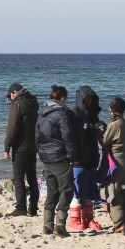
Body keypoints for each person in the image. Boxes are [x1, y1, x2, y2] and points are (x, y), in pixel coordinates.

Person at [35, 85, 78, 236]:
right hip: (60, 157)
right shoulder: (62, 114)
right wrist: (72, 156)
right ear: (63, 98)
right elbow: (68, 137)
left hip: (46, 157)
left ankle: (47, 226)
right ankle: (60, 224)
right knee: (67, 190)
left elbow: (37, 135)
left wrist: (40, 152)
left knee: (52, 191)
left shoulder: (42, 113)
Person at [69, 86, 106, 233]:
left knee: (89, 191)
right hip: (78, 158)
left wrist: (95, 127)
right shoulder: (74, 115)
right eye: (87, 99)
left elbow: (99, 130)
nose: (89, 101)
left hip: (91, 157)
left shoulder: (94, 116)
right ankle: (74, 219)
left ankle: (89, 218)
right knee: (77, 190)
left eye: (91, 99)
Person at [2, 82, 39, 218]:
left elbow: (12, 128)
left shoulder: (17, 104)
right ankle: (33, 208)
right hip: (32, 145)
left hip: (20, 147)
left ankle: (21, 208)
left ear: (14, 92)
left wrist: (7, 146)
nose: (10, 98)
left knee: (18, 178)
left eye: (10, 95)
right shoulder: (34, 103)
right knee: (32, 178)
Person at [102, 96, 125, 234]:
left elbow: (104, 142)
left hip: (115, 161)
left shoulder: (113, 125)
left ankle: (120, 223)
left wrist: (99, 131)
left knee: (113, 193)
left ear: (113, 110)